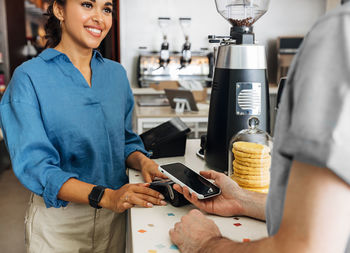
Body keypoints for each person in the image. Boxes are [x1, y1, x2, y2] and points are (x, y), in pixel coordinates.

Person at [169, 1, 350, 252]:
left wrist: (205, 243)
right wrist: (244, 201)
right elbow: (332, 211)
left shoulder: (341, 32)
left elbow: (302, 247)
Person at [0, 0, 167, 252]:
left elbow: (124, 140)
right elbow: (36, 167)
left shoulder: (115, 74)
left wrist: (142, 161)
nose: (99, 18)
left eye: (107, 9)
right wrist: (106, 197)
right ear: (59, 10)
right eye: (87, 5)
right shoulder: (29, 78)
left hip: (117, 215)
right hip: (60, 223)